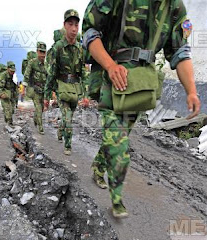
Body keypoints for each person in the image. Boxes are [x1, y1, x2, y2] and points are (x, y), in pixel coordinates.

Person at [82, 0, 201, 218]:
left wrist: (191, 91)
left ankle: (99, 166)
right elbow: (90, 31)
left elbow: (179, 51)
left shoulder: (174, 6)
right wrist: (110, 65)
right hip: (111, 79)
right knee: (118, 143)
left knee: (119, 135)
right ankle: (117, 202)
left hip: (140, 85)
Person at [44, 10, 84, 155]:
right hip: (61, 86)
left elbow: (83, 72)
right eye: (70, 24)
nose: (74, 28)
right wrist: (47, 96)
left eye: (76, 25)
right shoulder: (58, 47)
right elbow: (51, 73)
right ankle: (68, 146)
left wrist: (85, 92)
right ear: (64, 26)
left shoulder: (80, 48)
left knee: (69, 116)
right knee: (68, 118)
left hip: (74, 88)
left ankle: (61, 130)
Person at [23, 42, 47, 134]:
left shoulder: (46, 64)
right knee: (38, 107)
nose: (42, 54)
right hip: (35, 89)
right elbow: (27, 75)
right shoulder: (32, 62)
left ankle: (36, 118)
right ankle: (41, 128)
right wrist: (23, 88)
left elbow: (49, 77)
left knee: (41, 108)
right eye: (40, 52)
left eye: (44, 52)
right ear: (37, 52)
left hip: (43, 89)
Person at [0, 61, 18, 126]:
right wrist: (1, 94)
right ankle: (10, 122)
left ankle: (7, 118)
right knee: (7, 108)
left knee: (12, 110)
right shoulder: (3, 75)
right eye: (11, 71)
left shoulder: (14, 76)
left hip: (12, 94)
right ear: (7, 69)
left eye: (14, 71)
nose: (12, 72)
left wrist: (16, 94)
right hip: (5, 93)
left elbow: (15, 86)